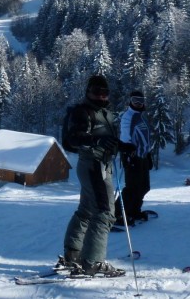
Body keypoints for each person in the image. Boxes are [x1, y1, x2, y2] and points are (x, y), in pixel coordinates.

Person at [60, 76, 133, 278]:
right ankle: (93, 262)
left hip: (100, 166)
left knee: (86, 210)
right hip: (93, 166)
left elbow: (106, 139)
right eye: (96, 91)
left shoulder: (105, 114)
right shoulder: (82, 112)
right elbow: (74, 138)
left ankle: (72, 254)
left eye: (105, 92)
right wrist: (98, 140)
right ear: (88, 91)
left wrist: (122, 146)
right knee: (105, 213)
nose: (101, 95)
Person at [115, 91, 155, 226]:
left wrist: (148, 154)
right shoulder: (128, 117)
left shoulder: (141, 117)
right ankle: (118, 213)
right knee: (132, 187)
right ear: (130, 101)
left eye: (141, 100)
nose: (138, 103)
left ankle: (134, 210)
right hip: (132, 156)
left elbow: (145, 138)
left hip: (142, 156)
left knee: (144, 187)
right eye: (135, 100)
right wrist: (127, 153)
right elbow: (125, 136)